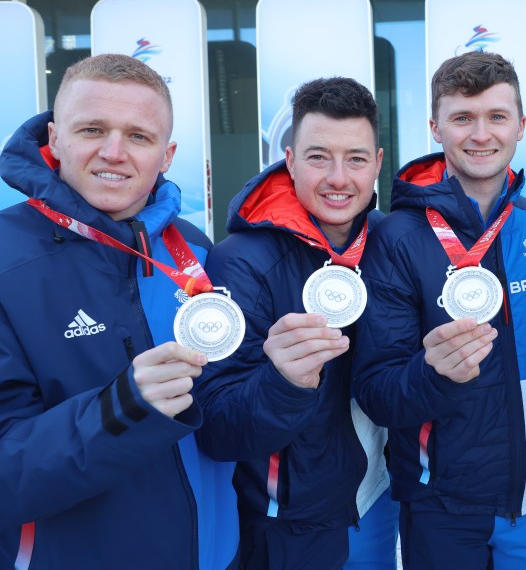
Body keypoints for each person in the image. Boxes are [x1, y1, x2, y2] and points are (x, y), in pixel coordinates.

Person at [0, 54, 238, 568]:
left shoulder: (194, 251)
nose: (113, 152)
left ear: (167, 154)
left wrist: (285, 379)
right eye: (92, 129)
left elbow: (222, 417)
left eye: (138, 136)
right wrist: (124, 407)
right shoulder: (4, 259)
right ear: (55, 139)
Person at [352, 51, 526, 570]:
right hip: (438, 502)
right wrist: (433, 374)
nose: (481, 134)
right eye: (462, 118)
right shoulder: (396, 238)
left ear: (521, 126)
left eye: (496, 116)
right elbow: (377, 390)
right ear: (435, 127)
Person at [193, 77, 397, 570]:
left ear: (378, 163)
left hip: (383, 500)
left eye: (355, 158)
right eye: (318, 156)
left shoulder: (392, 242)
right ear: (288, 160)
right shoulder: (239, 262)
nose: (338, 177)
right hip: (287, 522)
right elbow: (215, 427)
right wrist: (282, 382)